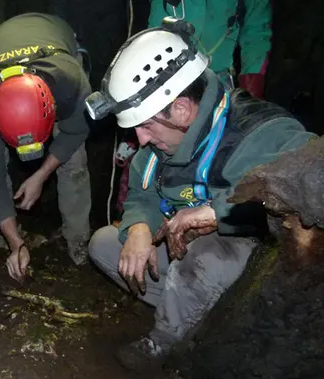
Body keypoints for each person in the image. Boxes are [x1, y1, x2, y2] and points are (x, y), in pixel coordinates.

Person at [84, 18, 315, 370]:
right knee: (104, 244)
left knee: (205, 256)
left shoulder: (258, 131)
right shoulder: (163, 141)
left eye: (145, 125)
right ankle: (194, 313)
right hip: (189, 253)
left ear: (180, 109)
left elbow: (315, 177)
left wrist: (215, 212)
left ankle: (166, 341)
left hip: (253, 259)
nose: (141, 140)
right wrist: (139, 228)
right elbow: (141, 197)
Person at [112, 0, 272, 219]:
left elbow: (256, 32)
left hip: (215, 82)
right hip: (163, 81)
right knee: (151, 149)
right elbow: (155, 32)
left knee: (213, 157)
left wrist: (251, 96)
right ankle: (139, 222)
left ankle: (206, 214)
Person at [0, 13, 92, 282]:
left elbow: (76, 132)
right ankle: (3, 235)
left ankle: (78, 239)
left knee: (74, 160)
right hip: (1, 47)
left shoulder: (70, 82)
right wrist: (17, 244)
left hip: (56, 38)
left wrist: (41, 175)